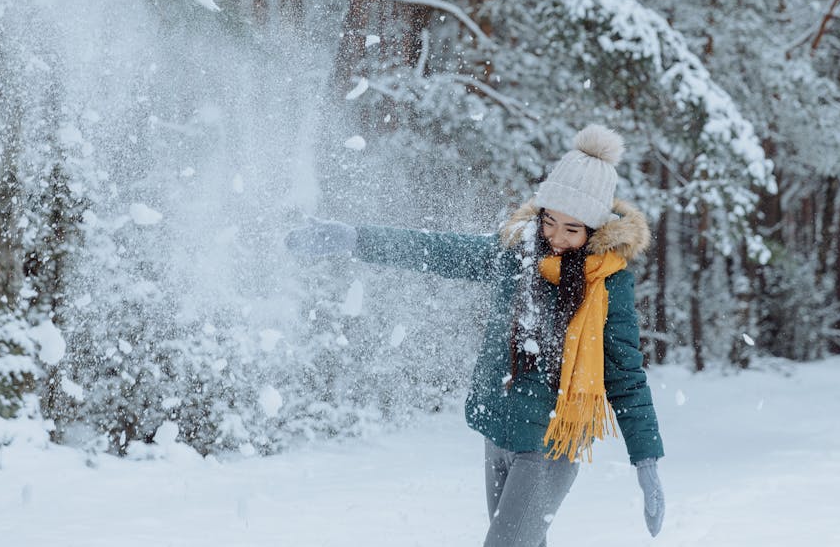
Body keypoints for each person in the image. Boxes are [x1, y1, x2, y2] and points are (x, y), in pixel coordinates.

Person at [285, 125, 665, 546]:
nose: (555, 237)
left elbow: (626, 377)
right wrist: (355, 238)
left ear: (594, 231)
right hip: (498, 435)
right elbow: (435, 250)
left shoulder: (607, 286)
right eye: (549, 221)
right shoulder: (514, 256)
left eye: (571, 229)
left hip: (547, 448)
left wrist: (645, 460)